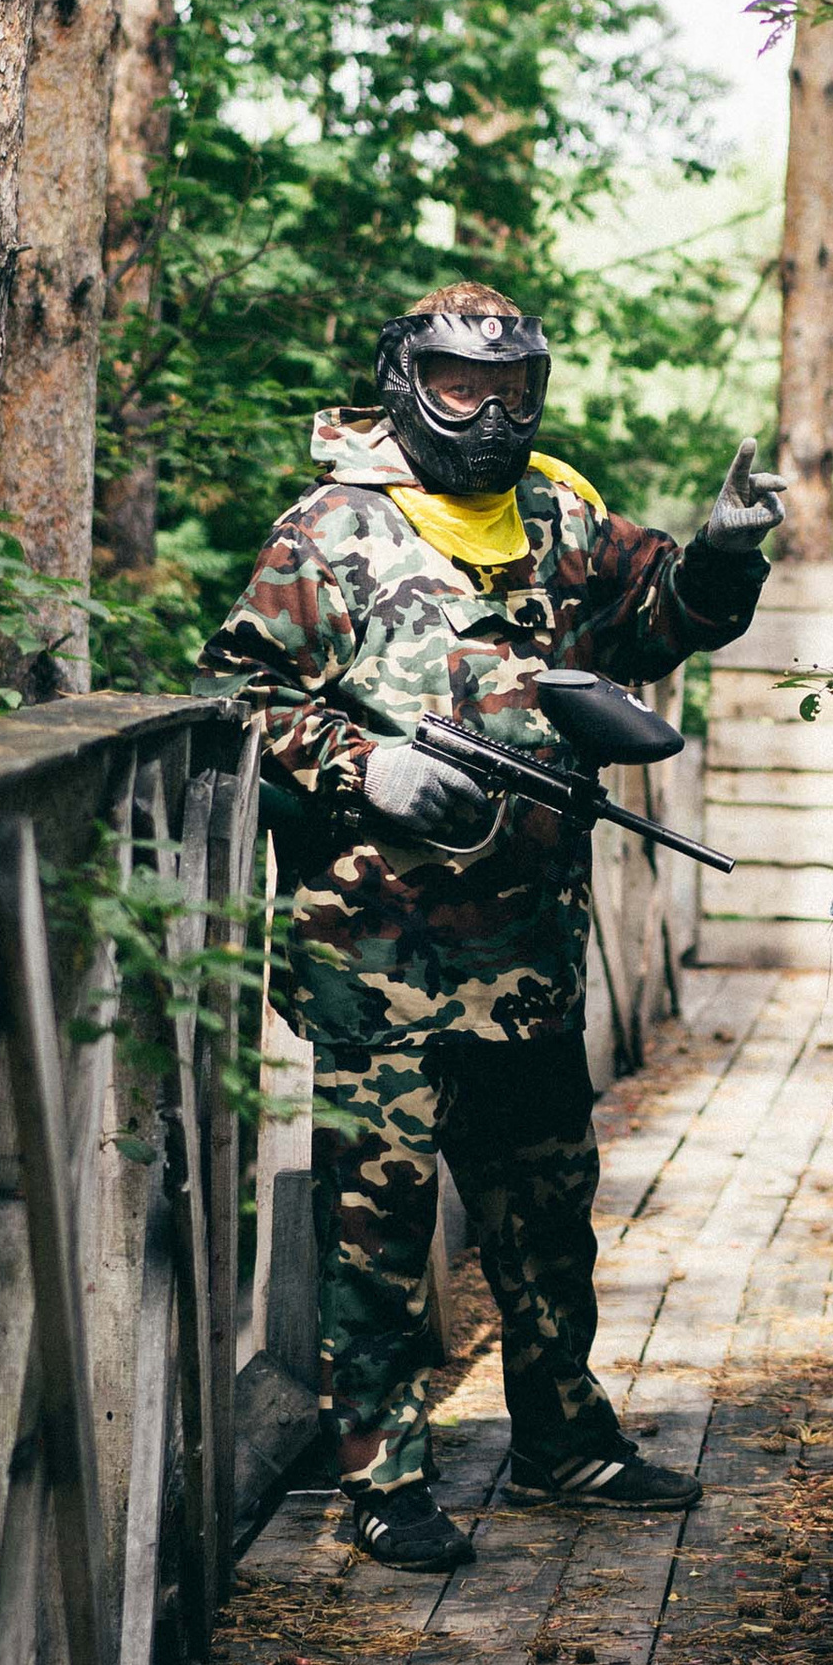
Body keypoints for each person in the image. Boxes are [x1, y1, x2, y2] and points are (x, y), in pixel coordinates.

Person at [200, 285, 785, 1570]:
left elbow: (657, 627)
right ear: (405, 378)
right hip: (376, 956)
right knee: (381, 1222)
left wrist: (726, 548)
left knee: (544, 1202)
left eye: (514, 392)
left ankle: (561, 1439)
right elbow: (238, 702)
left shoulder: (557, 510)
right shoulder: (331, 533)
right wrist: (366, 769)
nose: (491, 416)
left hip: (529, 942)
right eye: (463, 388)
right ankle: (385, 1474)